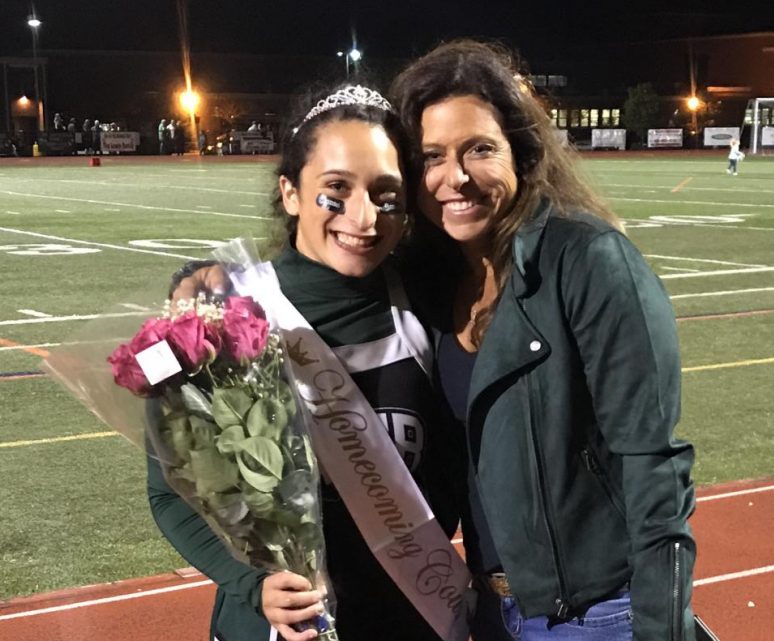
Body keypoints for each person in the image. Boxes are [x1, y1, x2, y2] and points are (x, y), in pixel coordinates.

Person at [389, 40, 697, 641]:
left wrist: (662, 629)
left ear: (521, 153)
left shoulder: (588, 261)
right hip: (488, 611)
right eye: (431, 157)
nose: (455, 177)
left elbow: (654, 465)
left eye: (479, 149)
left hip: (596, 613)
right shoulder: (429, 280)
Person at [152, 83, 464, 641]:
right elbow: (170, 490)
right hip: (273, 627)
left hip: (410, 620)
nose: (364, 218)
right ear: (290, 193)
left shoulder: (430, 306)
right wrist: (250, 583)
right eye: (335, 191)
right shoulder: (225, 314)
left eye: (386, 195)